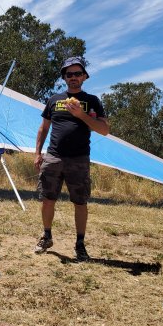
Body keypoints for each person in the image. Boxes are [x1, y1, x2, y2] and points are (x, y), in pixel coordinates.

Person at [33, 57, 109, 261]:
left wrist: (82, 115)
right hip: (53, 157)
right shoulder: (54, 100)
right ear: (64, 78)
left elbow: (104, 130)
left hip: (79, 159)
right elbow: (43, 128)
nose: (73, 77)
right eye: (69, 74)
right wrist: (38, 153)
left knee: (80, 202)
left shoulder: (92, 101)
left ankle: (80, 244)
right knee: (47, 199)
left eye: (77, 73)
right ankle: (46, 236)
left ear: (84, 76)